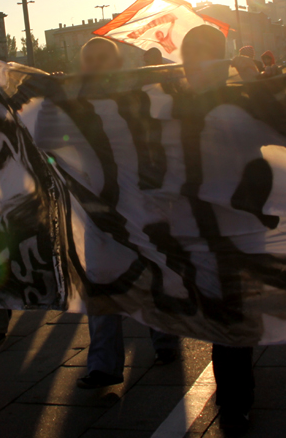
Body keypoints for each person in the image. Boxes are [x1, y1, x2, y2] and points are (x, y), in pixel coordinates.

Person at [76, 38, 182, 389]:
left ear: (117, 63)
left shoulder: (142, 96)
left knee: (153, 278)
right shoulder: (73, 103)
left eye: (102, 57)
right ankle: (103, 366)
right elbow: (42, 136)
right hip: (99, 213)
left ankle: (165, 339)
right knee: (103, 286)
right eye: (88, 59)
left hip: (144, 207)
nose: (95, 64)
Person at [178, 25, 255, 433]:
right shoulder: (173, 104)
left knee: (231, 319)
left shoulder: (242, 99)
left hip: (238, 230)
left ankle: (235, 402)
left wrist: (258, 86)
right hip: (197, 232)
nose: (196, 66)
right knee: (222, 319)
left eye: (204, 56)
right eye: (191, 57)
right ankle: (235, 398)